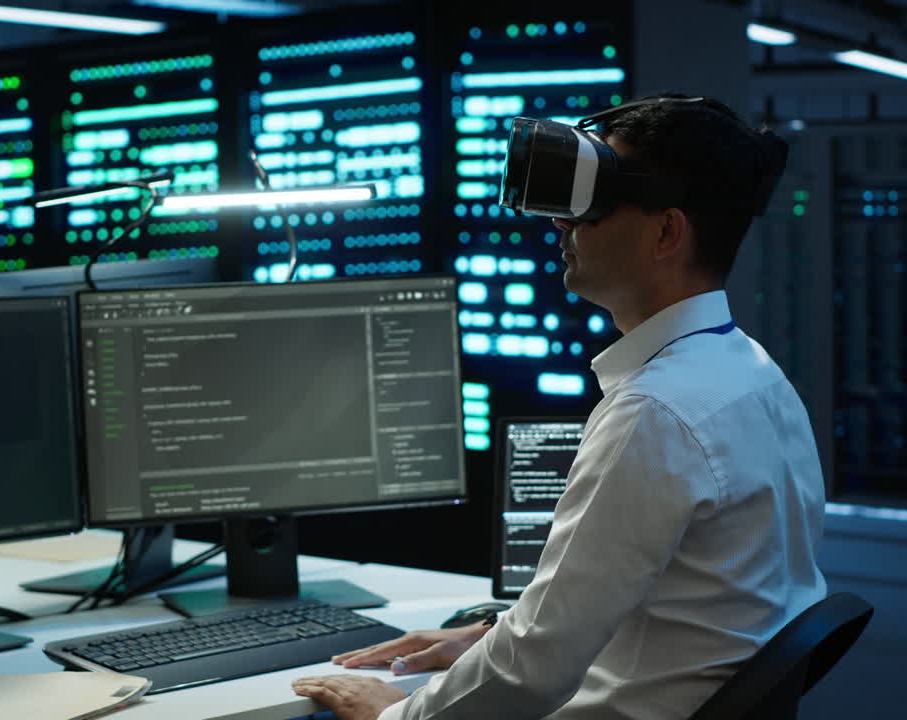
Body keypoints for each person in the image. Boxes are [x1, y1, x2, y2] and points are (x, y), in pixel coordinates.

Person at [292, 93, 828, 720]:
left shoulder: (655, 412)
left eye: (592, 206)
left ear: (666, 231)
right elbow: (686, 601)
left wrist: (392, 714)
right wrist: (490, 634)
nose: (562, 225)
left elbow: (533, 672)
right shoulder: (749, 372)